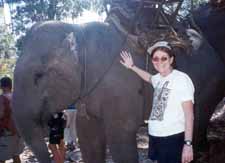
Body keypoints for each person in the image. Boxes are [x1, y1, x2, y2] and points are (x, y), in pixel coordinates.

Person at [120, 41, 194, 163]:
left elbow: (189, 115)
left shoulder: (181, 79)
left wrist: (188, 144)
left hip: (172, 137)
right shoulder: (158, 79)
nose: (159, 62)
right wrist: (132, 66)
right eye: (155, 59)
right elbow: (149, 78)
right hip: (155, 135)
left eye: (164, 58)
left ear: (171, 60)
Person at [0, 76, 24, 163]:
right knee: (15, 155)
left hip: (7, 133)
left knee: (1, 158)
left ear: (1, 86)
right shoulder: (19, 97)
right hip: (19, 132)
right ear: (11, 85)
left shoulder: (2, 98)